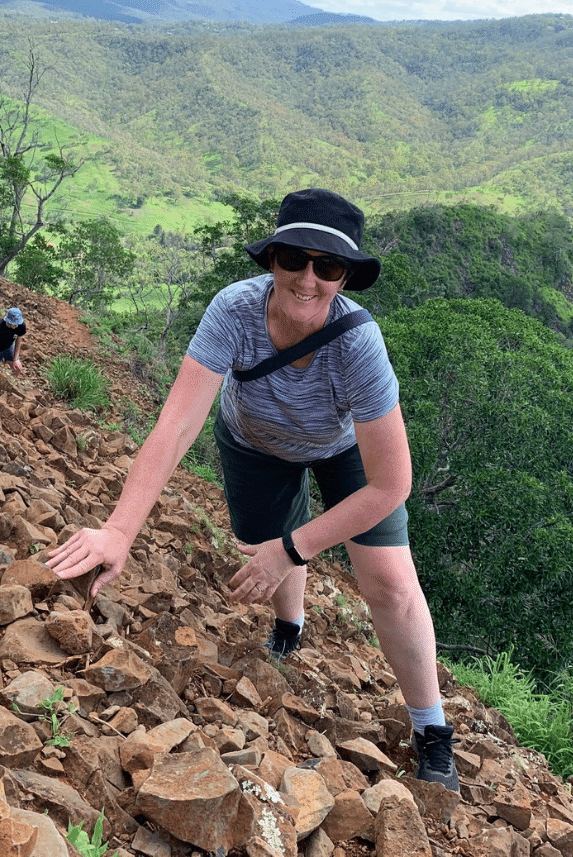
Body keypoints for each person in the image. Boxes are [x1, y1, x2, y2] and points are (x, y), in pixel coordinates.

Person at [46, 188, 459, 790]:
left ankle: (431, 727)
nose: (308, 279)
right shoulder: (234, 311)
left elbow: (392, 483)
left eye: (329, 266)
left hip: (345, 453)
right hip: (254, 442)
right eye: (295, 258)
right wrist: (118, 530)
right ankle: (289, 629)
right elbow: (177, 424)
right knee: (265, 543)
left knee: (389, 584)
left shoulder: (358, 345)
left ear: (345, 277)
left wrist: (293, 548)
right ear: (272, 260)